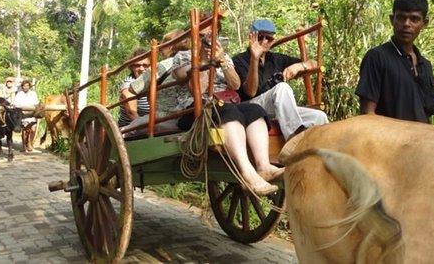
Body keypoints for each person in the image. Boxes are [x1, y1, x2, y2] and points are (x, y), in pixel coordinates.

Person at [173, 18, 283, 196]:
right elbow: (197, 90)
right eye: (203, 36)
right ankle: (247, 175)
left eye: (211, 35)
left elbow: (235, 85)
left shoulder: (223, 56)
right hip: (195, 110)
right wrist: (203, 60)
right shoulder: (183, 57)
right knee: (228, 111)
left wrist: (221, 60)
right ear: (194, 37)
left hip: (226, 102)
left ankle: (263, 166)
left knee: (255, 110)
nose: (207, 39)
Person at [355, 0, 434, 123]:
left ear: (424, 23)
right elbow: (367, 115)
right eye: (401, 17)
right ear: (392, 20)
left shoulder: (425, 65)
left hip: (421, 140)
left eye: (414, 19)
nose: (407, 24)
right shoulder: (377, 57)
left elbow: (428, 115)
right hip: (388, 141)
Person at [232, 19, 328, 140]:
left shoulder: (276, 59)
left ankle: (320, 154)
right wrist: (254, 59)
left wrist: (300, 65)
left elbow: (314, 63)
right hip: (250, 107)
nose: (264, 41)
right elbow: (250, 92)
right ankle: (294, 139)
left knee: (318, 116)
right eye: (260, 37)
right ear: (251, 37)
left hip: (275, 109)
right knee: (282, 87)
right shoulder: (239, 60)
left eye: (269, 38)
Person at [125, 30, 189, 134]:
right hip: (188, 116)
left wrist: (150, 79)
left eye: (162, 47)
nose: (160, 51)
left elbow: (132, 89)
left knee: (124, 132)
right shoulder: (196, 60)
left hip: (165, 118)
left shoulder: (161, 66)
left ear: (170, 47)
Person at [117, 48, 151, 128]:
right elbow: (131, 113)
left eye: (145, 65)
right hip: (132, 128)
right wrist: (147, 128)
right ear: (131, 67)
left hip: (150, 124)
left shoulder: (154, 80)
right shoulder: (129, 84)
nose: (142, 69)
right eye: (137, 65)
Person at [13, 80, 40, 151]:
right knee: (24, 131)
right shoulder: (19, 94)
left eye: (27, 86)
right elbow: (16, 104)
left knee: (33, 129)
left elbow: (36, 103)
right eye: (24, 86)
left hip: (32, 114)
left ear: (29, 86)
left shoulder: (33, 94)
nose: (26, 87)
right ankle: (24, 145)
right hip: (22, 114)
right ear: (22, 87)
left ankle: (30, 143)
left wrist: (35, 109)